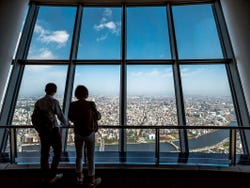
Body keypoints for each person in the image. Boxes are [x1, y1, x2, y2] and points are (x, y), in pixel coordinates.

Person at [33, 82, 67, 184]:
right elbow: (60, 116)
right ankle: (52, 175)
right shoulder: (54, 101)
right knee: (58, 152)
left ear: (45, 90)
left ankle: (45, 175)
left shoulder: (39, 102)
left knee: (44, 153)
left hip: (43, 131)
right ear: (55, 91)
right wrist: (66, 123)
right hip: (53, 130)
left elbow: (34, 116)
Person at [68, 85, 101, 187]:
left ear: (76, 94)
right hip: (89, 133)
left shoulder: (72, 105)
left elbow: (71, 118)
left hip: (78, 133)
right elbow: (98, 116)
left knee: (79, 156)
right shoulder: (91, 104)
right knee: (91, 158)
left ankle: (79, 178)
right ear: (86, 93)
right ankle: (91, 180)